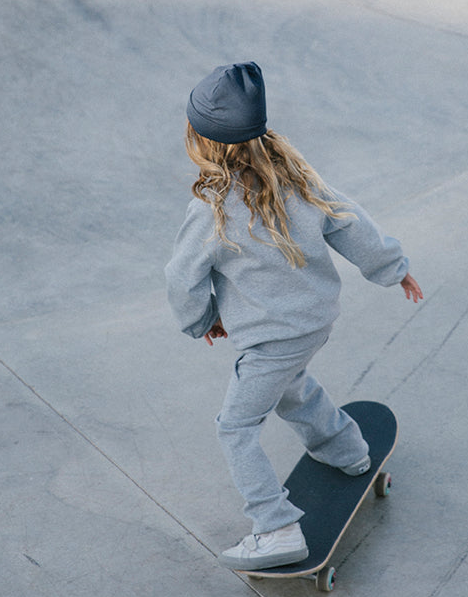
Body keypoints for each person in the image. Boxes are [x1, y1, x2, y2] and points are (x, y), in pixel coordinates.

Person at [165, 61, 423, 571]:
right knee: (291, 386)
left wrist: (201, 321)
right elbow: (351, 222)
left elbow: (181, 278)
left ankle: (275, 527)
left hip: (269, 340)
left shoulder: (212, 208)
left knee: (235, 428)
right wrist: (393, 268)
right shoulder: (295, 176)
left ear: (201, 142)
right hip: (315, 323)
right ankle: (347, 449)